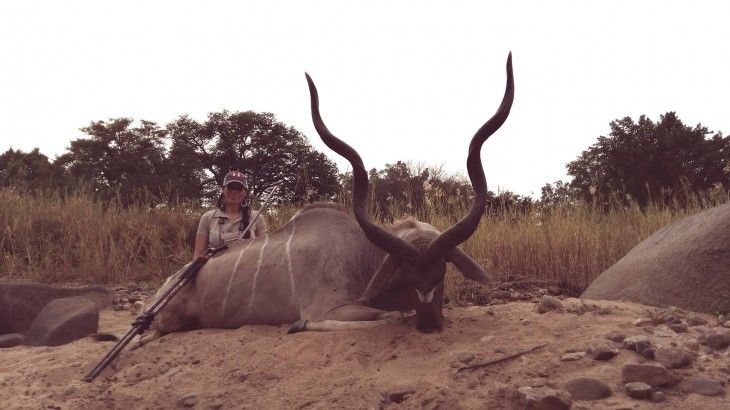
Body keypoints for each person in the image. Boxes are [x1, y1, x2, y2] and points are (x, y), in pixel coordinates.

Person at [193, 171, 267, 259]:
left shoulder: (257, 217)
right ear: (223, 189)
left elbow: (264, 252)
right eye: (230, 187)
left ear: (245, 192)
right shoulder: (208, 217)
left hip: (246, 267)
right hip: (214, 269)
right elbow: (198, 254)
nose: (234, 192)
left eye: (239, 188)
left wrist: (250, 245)